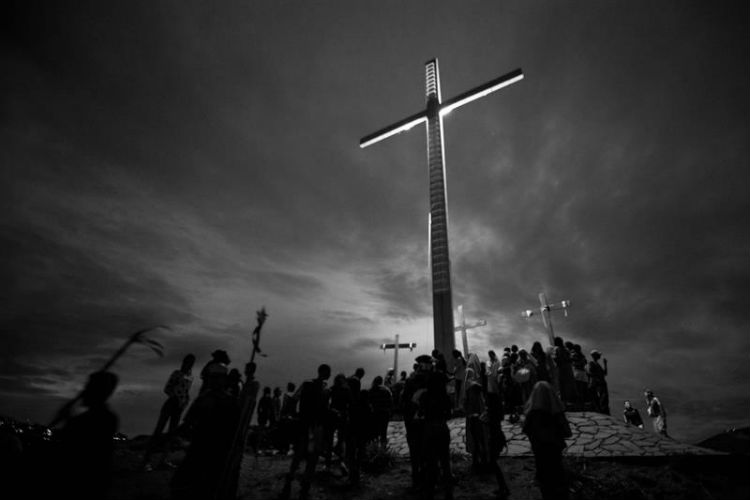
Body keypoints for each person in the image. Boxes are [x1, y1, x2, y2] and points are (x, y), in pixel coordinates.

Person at [171, 368, 240, 500]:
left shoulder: (224, 401)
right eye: (212, 378)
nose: (213, 381)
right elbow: (188, 421)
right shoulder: (208, 399)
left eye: (217, 378)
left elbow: (188, 422)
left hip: (210, 448)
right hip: (208, 446)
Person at [55, 371, 120, 500]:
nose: (83, 392)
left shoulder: (101, 419)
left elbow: (69, 445)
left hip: (84, 484)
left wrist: (67, 417)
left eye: (88, 387)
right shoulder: (107, 418)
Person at [281, 364, 331, 500]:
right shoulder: (323, 389)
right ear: (323, 372)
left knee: (304, 452)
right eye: (328, 372)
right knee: (309, 453)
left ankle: (295, 477)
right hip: (313, 424)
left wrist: (293, 414)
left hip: (308, 423)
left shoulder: (312, 385)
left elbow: (294, 399)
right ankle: (303, 481)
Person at [142, 354, 195, 470]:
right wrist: (174, 397)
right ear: (184, 362)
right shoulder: (177, 374)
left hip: (179, 407)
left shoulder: (190, 378)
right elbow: (167, 388)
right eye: (187, 361)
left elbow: (186, 392)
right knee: (159, 430)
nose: (189, 364)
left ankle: (163, 460)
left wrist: (185, 402)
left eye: (191, 362)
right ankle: (146, 460)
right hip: (171, 403)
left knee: (171, 433)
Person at [522, 381, 572, 500]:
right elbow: (567, 432)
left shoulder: (532, 415)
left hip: (540, 454)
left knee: (546, 486)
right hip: (554, 452)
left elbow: (526, 429)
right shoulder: (556, 414)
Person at [345, 367, 367, 485]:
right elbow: (355, 395)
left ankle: (351, 471)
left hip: (348, 410)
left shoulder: (349, 378)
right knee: (356, 447)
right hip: (353, 411)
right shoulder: (356, 380)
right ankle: (354, 472)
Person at [369, 375, 393, 447]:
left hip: (375, 412)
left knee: (374, 431)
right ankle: (383, 448)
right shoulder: (387, 390)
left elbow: (369, 401)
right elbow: (391, 401)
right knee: (383, 431)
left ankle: (374, 448)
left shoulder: (372, 390)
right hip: (385, 412)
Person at [587, 350, 609, 414]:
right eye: (598, 355)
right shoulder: (591, 363)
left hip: (601, 383)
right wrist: (597, 379)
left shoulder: (597, 364)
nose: (599, 356)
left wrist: (605, 364)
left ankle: (603, 410)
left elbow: (605, 373)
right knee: (602, 398)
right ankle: (602, 411)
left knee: (604, 398)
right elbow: (591, 373)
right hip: (599, 384)